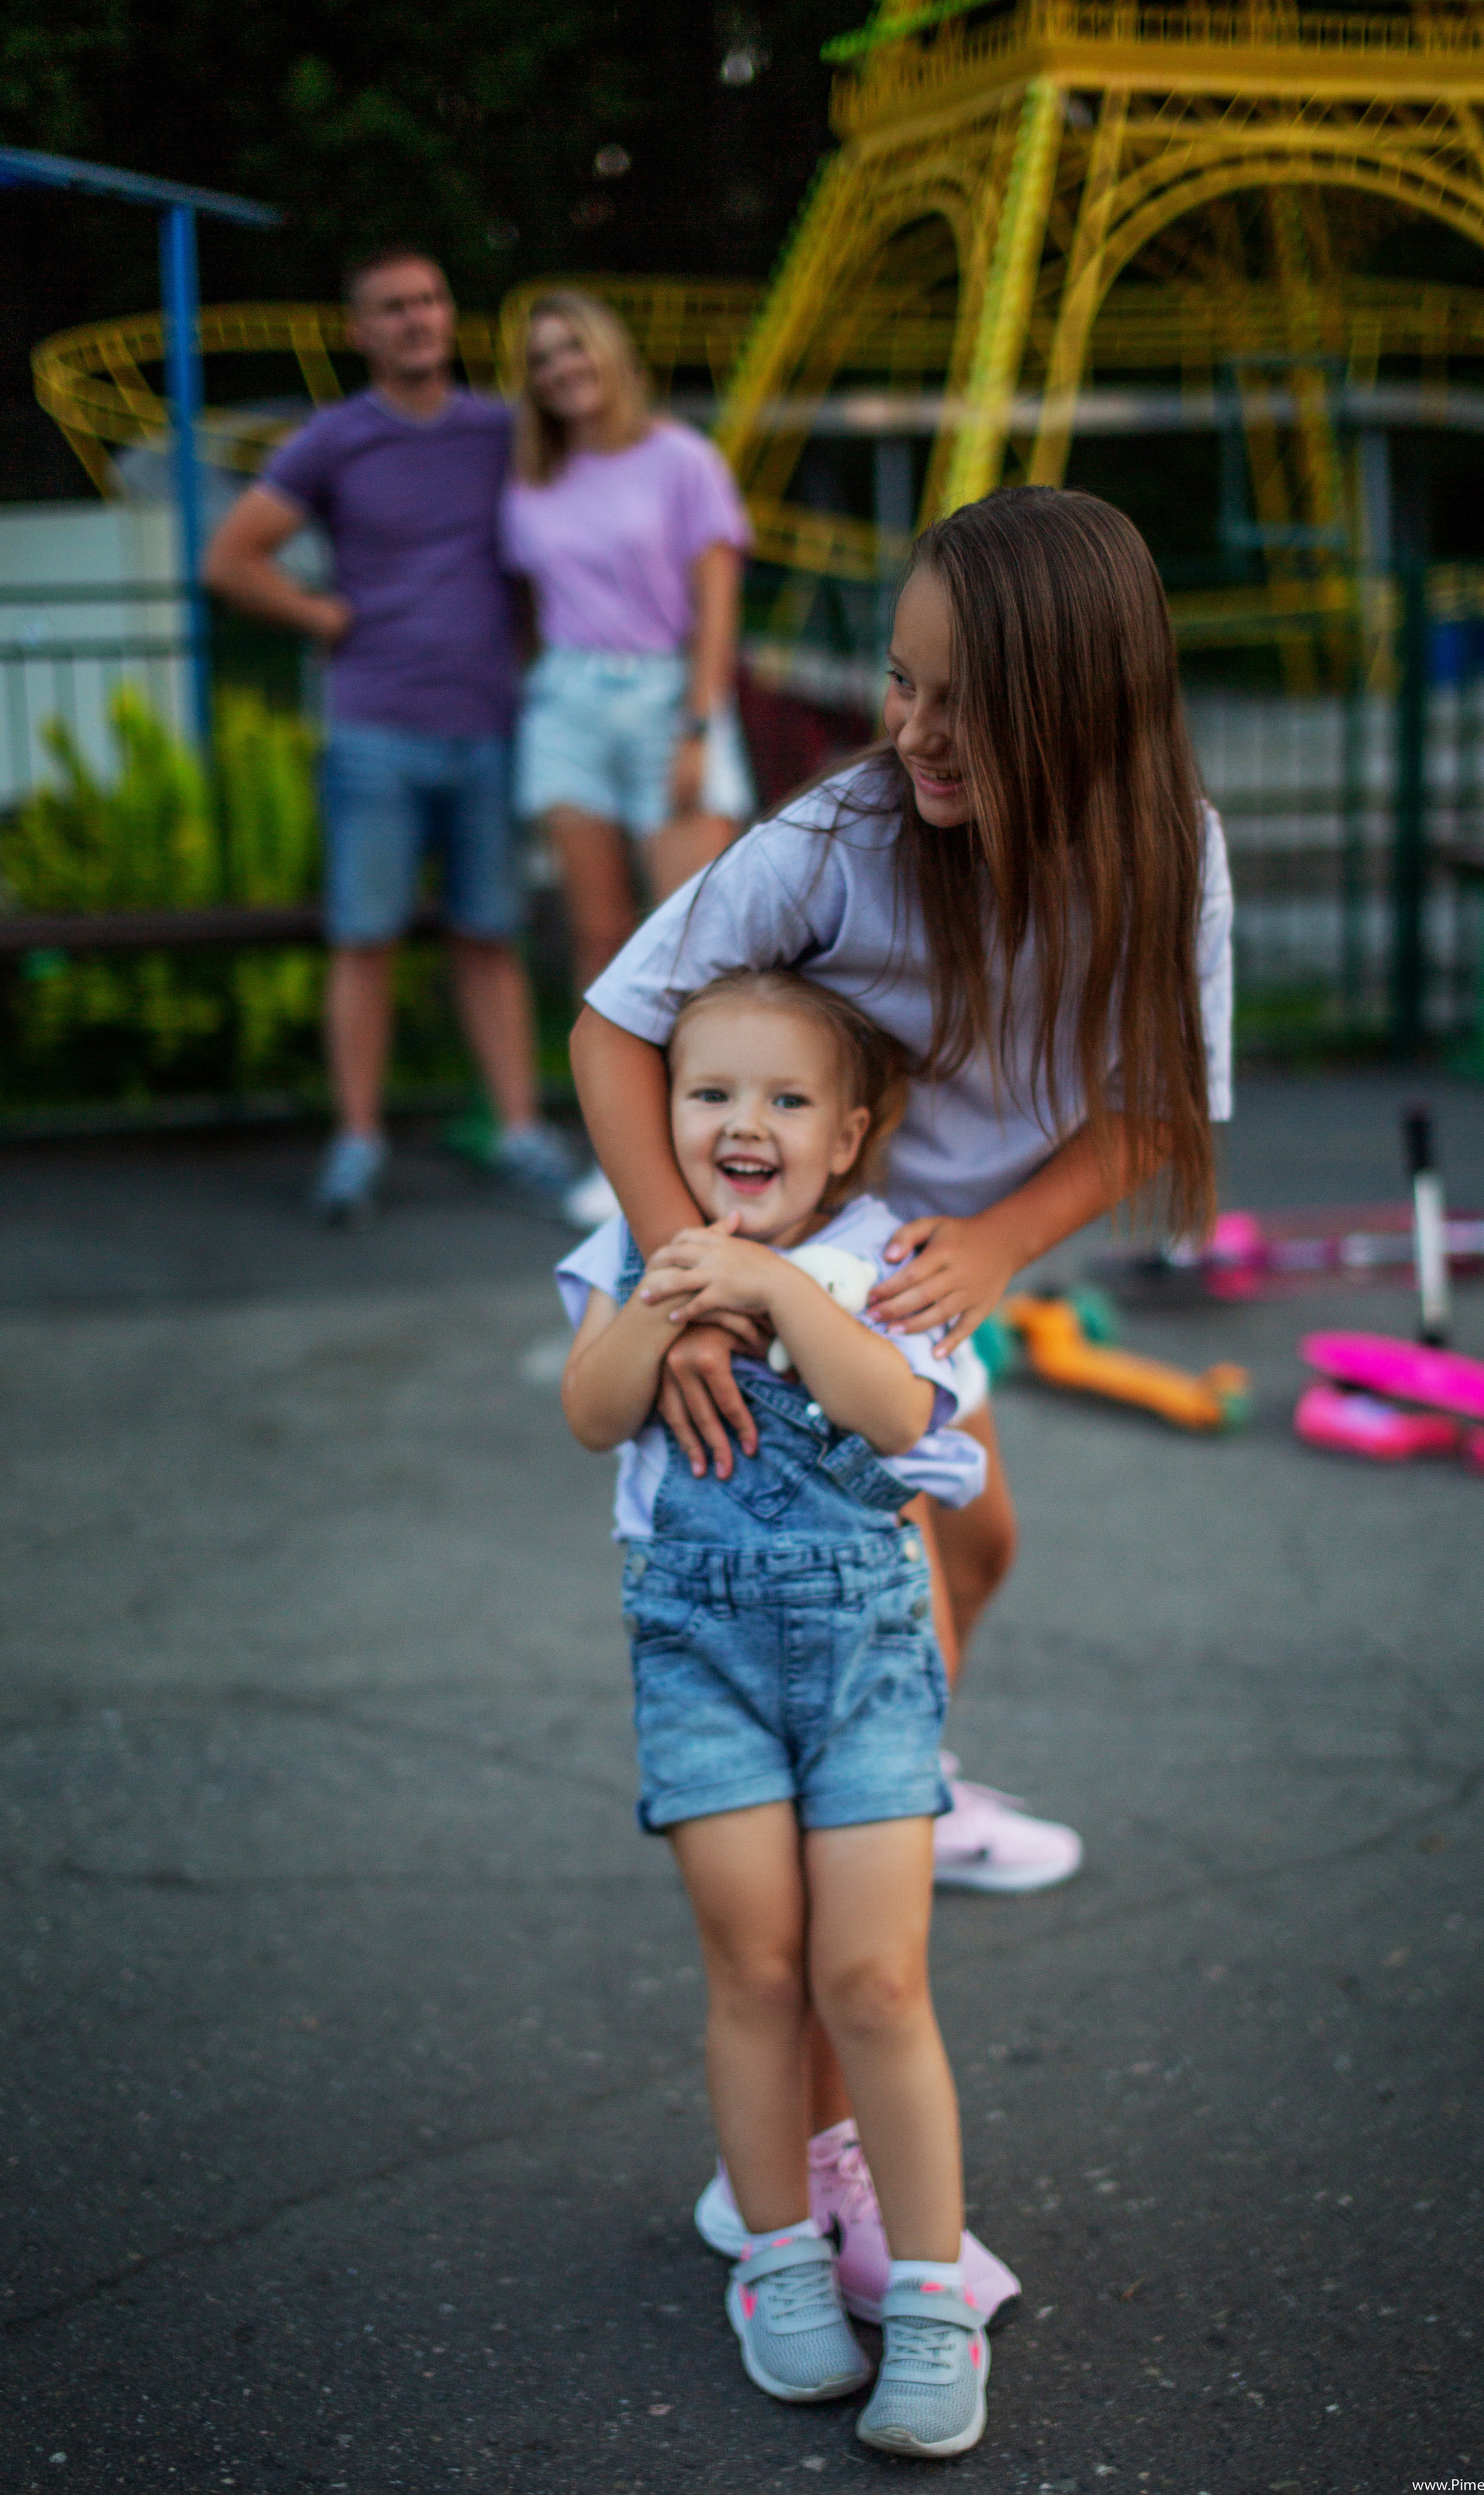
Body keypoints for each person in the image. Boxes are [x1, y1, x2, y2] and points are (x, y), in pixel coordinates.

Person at [567, 482, 1233, 2260]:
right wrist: (688, 1279)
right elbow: (615, 1025)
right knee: (894, 1635)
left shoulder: (1171, 854)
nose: (914, 729)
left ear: (1081, 706)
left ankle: (897, 1783)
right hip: (791, 1264)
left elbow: (1156, 1103)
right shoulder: (834, 841)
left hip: (928, 1275)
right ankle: (813, 2157)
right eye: (901, 678)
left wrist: (1011, 1243)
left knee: (984, 1552)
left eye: (962, 700)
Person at [557, 967, 1001, 2456]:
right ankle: (776, 2260)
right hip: (700, 1658)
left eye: (784, 1099)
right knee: (753, 1967)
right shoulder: (638, 1239)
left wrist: (773, 1293)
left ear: (850, 1132)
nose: (742, 1124)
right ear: (665, 1113)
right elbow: (593, 1409)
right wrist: (674, 1287)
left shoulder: (897, 1260)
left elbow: (897, 1418)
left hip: (867, 1655)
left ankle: (932, 2302)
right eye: (708, 1094)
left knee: (871, 1980)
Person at [203, 246, 572, 1223]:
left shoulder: (504, 430)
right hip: (374, 732)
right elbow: (234, 557)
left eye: (431, 301)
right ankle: (357, 1144)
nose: (418, 319)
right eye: (394, 307)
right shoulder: (334, 440)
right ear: (359, 331)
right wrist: (324, 619)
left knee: (489, 937)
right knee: (363, 942)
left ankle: (521, 1130)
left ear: (451, 316)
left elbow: (563, 546)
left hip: (489, 727)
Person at [498, 289, 754, 1225]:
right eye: (543, 359)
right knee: (602, 943)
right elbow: (529, 601)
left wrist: (696, 723)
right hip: (569, 701)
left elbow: (717, 600)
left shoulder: (682, 460)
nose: (563, 370)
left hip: (666, 698)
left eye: (574, 349)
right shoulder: (533, 475)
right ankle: (626, 1160)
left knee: (699, 944)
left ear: (608, 353)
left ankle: (725, 1154)